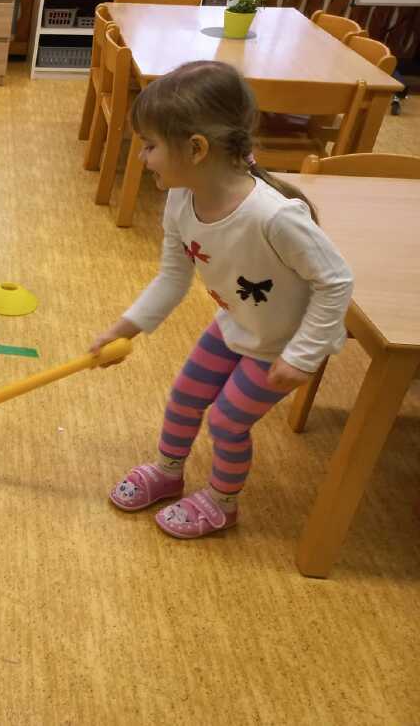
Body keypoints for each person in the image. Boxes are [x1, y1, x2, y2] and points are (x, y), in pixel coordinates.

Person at [91, 61, 353, 538]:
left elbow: (336, 282)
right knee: (185, 397)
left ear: (196, 148)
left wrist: (302, 354)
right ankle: (168, 472)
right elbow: (173, 278)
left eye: (149, 145)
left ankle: (222, 501)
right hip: (235, 322)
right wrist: (123, 329)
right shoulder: (181, 198)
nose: (142, 157)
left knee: (229, 420)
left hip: (281, 343)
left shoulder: (274, 217)